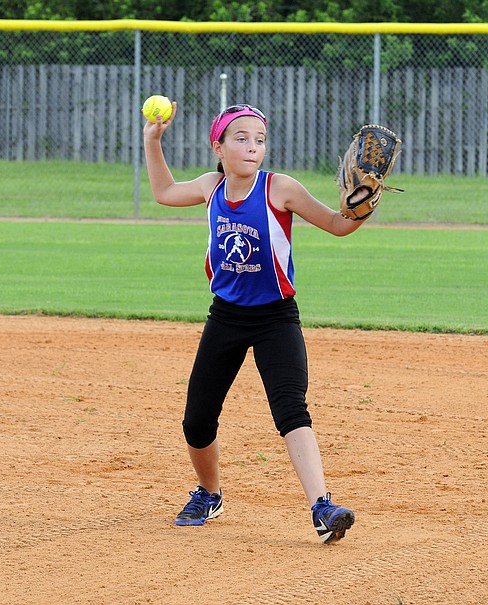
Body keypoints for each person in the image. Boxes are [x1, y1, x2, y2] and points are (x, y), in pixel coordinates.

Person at [143, 102, 368, 543]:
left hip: (275, 318)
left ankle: (322, 507)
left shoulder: (280, 188)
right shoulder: (211, 187)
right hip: (225, 316)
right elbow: (164, 192)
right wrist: (153, 141)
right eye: (241, 138)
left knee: (290, 408)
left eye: (259, 140)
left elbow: (338, 225)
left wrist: (362, 208)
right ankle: (210, 494)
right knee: (197, 421)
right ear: (219, 146)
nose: (252, 147)